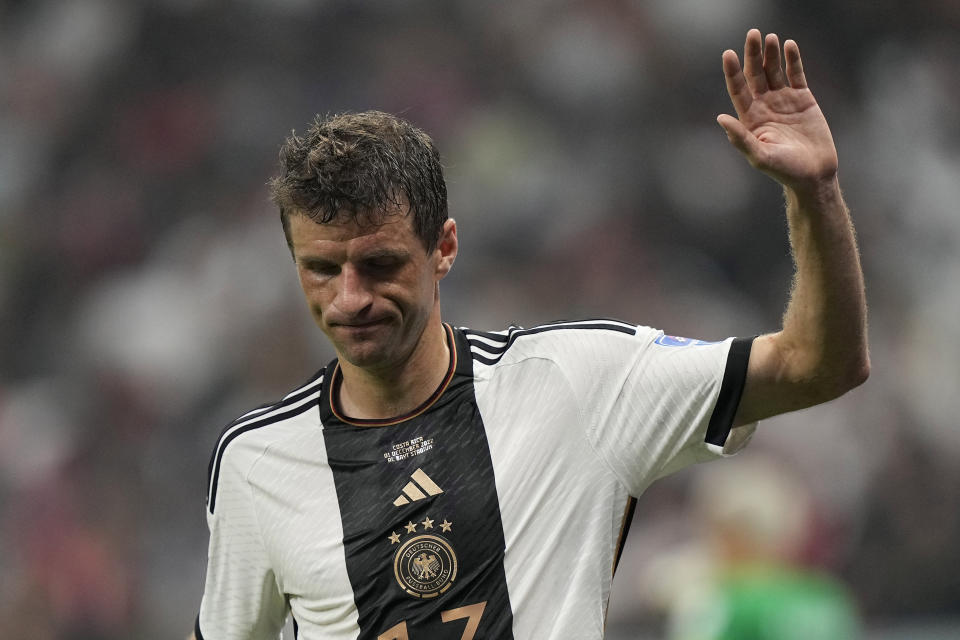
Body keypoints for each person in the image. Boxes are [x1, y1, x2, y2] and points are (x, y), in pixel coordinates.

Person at [191, 29, 868, 640]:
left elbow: (819, 365)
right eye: (321, 269)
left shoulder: (576, 380)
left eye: (380, 265)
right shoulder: (257, 460)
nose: (351, 298)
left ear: (444, 249)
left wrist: (816, 193)